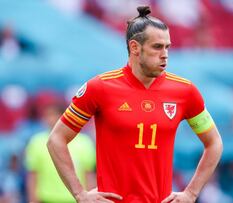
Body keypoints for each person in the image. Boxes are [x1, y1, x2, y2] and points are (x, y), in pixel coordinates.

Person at [46, 6, 223, 203]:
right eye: (157, 47)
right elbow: (56, 140)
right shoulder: (100, 87)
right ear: (135, 47)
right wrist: (80, 194)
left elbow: (214, 143)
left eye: (167, 47)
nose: (165, 54)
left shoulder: (185, 92)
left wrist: (191, 193)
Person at [25, 104, 96, 203]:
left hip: (76, 200)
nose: (49, 119)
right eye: (47, 116)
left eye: (53, 115)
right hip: (47, 199)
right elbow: (33, 175)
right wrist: (33, 199)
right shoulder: (36, 142)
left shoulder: (84, 142)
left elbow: (89, 175)